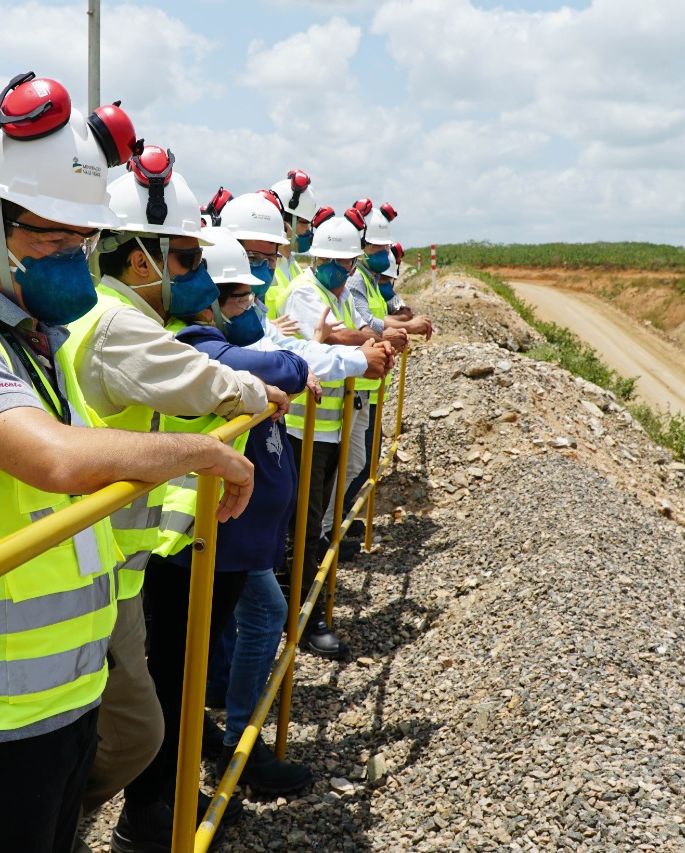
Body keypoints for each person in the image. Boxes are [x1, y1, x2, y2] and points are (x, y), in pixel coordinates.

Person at [0, 74, 253, 853]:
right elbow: (51, 458)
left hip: (54, 697)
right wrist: (200, 448)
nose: (74, 262)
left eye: (82, 242)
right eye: (52, 245)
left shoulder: (31, 337)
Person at [64, 150, 279, 848]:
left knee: (111, 716)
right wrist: (256, 391)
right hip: (94, 553)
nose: (201, 276)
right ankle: (64, 815)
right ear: (138, 261)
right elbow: (201, 380)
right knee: (124, 721)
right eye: (187, 259)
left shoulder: (110, 314)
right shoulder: (119, 323)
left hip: (104, 550)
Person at [179, 229, 319, 795]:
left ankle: (230, 738)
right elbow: (285, 367)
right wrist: (279, 366)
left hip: (234, 534)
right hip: (211, 532)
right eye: (242, 299)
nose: (253, 308)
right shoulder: (198, 342)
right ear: (210, 298)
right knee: (251, 621)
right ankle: (233, 744)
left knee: (251, 620)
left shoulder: (217, 342)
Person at [280, 214, 403, 660]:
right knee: (303, 527)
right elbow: (322, 346)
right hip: (302, 428)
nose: (347, 272)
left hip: (329, 427)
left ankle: (302, 609)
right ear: (321, 260)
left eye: (350, 265)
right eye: (341, 264)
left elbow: (348, 336)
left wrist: (361, 345)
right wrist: (360, 350)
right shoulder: (305, 294)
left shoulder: (336, 296)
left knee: (311, 526)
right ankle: (302, 619)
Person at [342, 204, 433, 519]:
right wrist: (405, 328)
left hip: (370, 382)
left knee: (363, 462)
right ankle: (343, 531)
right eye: (376, 247)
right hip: (351, 386)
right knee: (353, 465)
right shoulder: (355, 282)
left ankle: (348, 527)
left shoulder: (371, 280)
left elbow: (388, 304)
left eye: (384, 247)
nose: (381, 252)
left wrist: (402, 314)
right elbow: (368, 324)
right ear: (361, 247)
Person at [263, 169, 317, 317]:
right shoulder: (262, 268)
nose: (308, 230)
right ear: (284, 222)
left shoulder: (295, 268)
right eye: (304, 223)